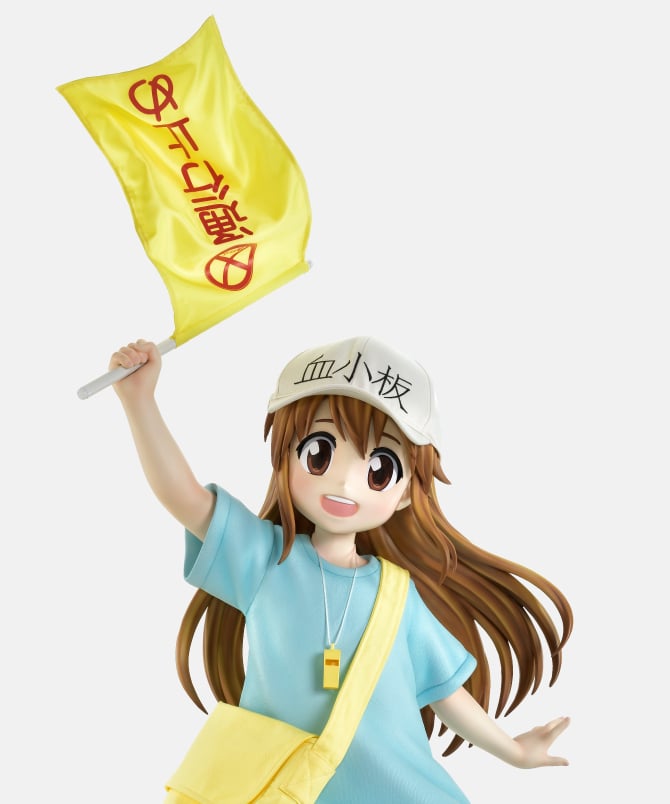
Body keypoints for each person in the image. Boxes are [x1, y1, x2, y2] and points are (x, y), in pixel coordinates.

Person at [110, 334, 573, 803]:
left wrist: (514, 751)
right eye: (320, 453)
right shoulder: (266, 558)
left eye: (379, 470)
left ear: (407, 493)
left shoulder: (398, 595)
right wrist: (139, 402)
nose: (346, 482)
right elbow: (184, 498)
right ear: (284, 456)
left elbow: (447, 696)